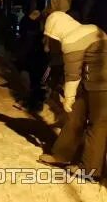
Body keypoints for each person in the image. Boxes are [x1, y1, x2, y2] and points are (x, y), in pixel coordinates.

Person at [38, 11, 107, 181]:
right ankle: (61, 154)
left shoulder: (71, 40)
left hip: (102, 84)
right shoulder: (92, 28)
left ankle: (90, 169)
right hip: (90, 81)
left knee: (98, 124)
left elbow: (72, 75)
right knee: (75, 116)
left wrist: (68, 98)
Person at [17, 10, 47, 111]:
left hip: (35, 57)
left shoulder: (33, 29)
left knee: (35, 81)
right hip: (33, 56)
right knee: (33, 80)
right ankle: (32, 102)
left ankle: (34, 104)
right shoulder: (37, 29)